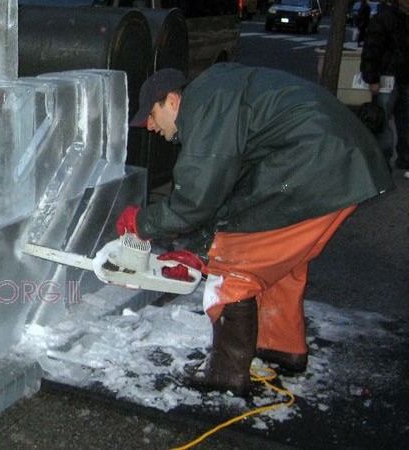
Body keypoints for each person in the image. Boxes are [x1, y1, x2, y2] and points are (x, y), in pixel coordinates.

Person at [115, 65, 393, 395]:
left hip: (318, 166)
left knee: (235, 265)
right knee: (277, 261)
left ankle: (226, 372)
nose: (150, 126)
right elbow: (230, 197)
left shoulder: (206, 107)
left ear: (172, 101)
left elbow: (195, 201)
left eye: (151, 114)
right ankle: (280, 346)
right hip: (335, 160)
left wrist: (142, 223)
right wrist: (198, 251)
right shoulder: (217, 97)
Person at [360, 0, 409, 172]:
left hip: (404, 76)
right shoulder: (385, 17)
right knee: (382, 121)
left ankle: (405, 159)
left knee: (405, 123)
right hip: (388, 76)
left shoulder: (387, 17)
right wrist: (371, 78)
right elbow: (372, 49)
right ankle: (382, 160)